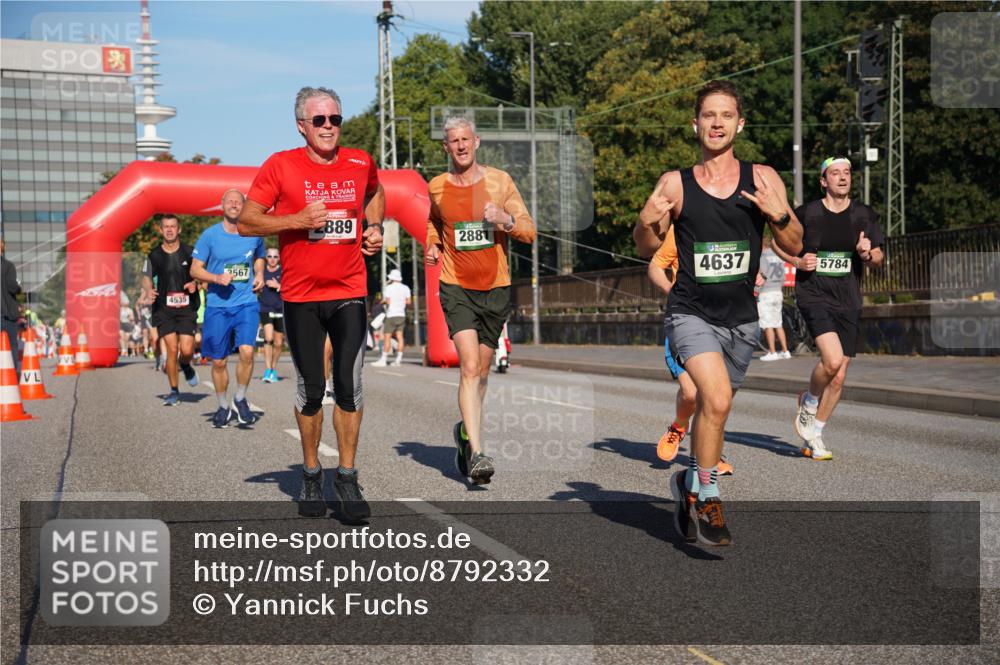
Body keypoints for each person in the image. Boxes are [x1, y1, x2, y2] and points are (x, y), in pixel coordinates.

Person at [633, 80, 802, 546]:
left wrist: (780, 215)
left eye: (726, 115)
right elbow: (646, 245)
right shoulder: (675, 183)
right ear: (695, 124)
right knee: (718, 397)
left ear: (739, 124)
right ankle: (707, 492)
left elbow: (796, 244)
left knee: (715, 407)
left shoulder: (763, 178)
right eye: (709, 115)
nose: (716, 123)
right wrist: (645, 221)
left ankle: (687, 483)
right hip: (690, 312)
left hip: (742, 320)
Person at [238, 86, 385, 520]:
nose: (328, 127)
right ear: (302, 125)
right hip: (301, 297)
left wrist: (373, 227)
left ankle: (348, 477)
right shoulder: (281, 166)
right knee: (310, 392)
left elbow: (376, 193)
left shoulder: (360, 162)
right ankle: (309, 472)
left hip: (349, 291)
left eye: (335, 119)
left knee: (348, 385)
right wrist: (296, 221)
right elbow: (247, 221)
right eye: (319, 120)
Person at [425, 115, 536, 486]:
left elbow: (529, 231)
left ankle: (464, 433)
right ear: (446, 147)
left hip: (495, 288)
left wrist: (504, 218)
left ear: (477, 141)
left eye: (465, 139)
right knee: (469, 367)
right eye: (453, 140)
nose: (460, 146)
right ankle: (477, 452)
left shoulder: (499, 181)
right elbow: (433, 222)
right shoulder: (436, 187)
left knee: (484, 371)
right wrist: (432, 243)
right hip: (455, 285)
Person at [775, 157, 884, 460]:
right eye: (835, 173)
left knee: (839, 374)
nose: (842, 177)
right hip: (814, 294)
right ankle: (809, 403)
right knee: (832, 359)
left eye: (846, 173)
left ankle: (815, 434)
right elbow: (776, 243)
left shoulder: (863, 215)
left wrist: (866, 254)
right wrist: (797, 262)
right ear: (823, 180)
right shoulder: (807, 213)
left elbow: (878, 257)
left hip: (848, 298)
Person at [647, 227, 734, 475]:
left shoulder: (732, 224)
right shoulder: (682, 228)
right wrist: (669, 289)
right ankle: (678, 426)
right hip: (685, 321)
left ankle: (712, 456)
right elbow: (655, 265)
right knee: (690, 392)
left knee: (715, 396)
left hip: (721, 323)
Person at [190, 189, 266, 428]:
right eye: (230, 201)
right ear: (222, 205)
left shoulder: (254, 232)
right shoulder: (209, 236)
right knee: (219, 362)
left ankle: (240, 398)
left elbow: (259, 256)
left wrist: (260, 273)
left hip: (246, 303)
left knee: (247, 352)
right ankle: (223, 405)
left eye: (238, 201)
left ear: (244, 206)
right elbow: (195, 269)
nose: (234, 204)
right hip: (217, 306)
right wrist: (215, 278)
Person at [142, 214, 201, 406]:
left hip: (187, 308)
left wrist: (196, 283)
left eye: (173, 226)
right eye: (165, 226)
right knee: (171, 349)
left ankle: (186, 364)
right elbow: (146, 277)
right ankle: (174, 391)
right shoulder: (154, 255)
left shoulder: (191, 252)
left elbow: (200, 273)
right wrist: (148, 289)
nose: (169, 229)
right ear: (161, 230)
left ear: (179, 230)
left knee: (186, 350)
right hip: (164, 308)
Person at [756, 235, 791, 361]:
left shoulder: (763, 256)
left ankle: (772, 352)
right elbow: (784, 278)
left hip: (766, 292)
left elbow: (762, 276)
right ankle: (785, 350)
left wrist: (756, 292)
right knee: (778, 323)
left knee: (767, 324)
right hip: (778, 291)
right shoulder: (778, 257)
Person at [372, 269, 411, 367]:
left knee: (387, 337)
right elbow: (409, 302)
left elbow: (388, 302)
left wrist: (383, 302)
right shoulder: (406, 288)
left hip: (391, 315)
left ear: (391, 278)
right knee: (400, 337)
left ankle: (383, 360)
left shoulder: (388, 288)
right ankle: (398, 360)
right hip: (401, 314)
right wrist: (400, 303)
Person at [259, 247, 285, 383]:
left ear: (279, 258)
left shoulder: (283, 272)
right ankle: (267, 369)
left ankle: (273, 369)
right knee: (268, 338)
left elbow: (292, 288)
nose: (272, 259)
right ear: (266, 258)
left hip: (280, 309)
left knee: (279, 343)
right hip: (265, 308)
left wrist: (278, 286)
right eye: (269, 256)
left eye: (275, 257)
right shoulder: (261, 272)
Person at [1, 237, 22, 374]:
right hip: (6, 314)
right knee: (11, 346)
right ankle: (12, 377)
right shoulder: (7, 266)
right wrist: (19, 287)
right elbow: (12, 287)